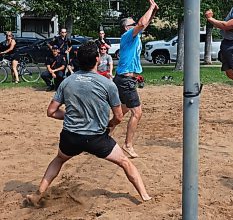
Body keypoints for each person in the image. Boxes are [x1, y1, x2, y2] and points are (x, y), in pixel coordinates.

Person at [24, 42, 151, 207]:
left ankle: (38, 194)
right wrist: (110, 125)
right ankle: (144, 195)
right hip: (96, 138)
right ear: (97, 59)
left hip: (71, 137)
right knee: (125, 162)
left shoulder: (67, 82)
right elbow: (119, 117)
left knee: (59, 160)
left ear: (77, 59)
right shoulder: (108, 84)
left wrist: (70, 115)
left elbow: (51, 112)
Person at [114, 0, 158, 158]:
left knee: (120, 114)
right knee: (137, 113)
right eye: (131, 24)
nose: (136, 26)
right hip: (125, 81)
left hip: (124, 79)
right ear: (126, 28)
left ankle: (105, 133)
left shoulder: (135, 37)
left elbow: (144, 23)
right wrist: (150, 8)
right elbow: (140, 23)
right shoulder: (127, 36)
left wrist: (153, 11)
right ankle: (128, 144)